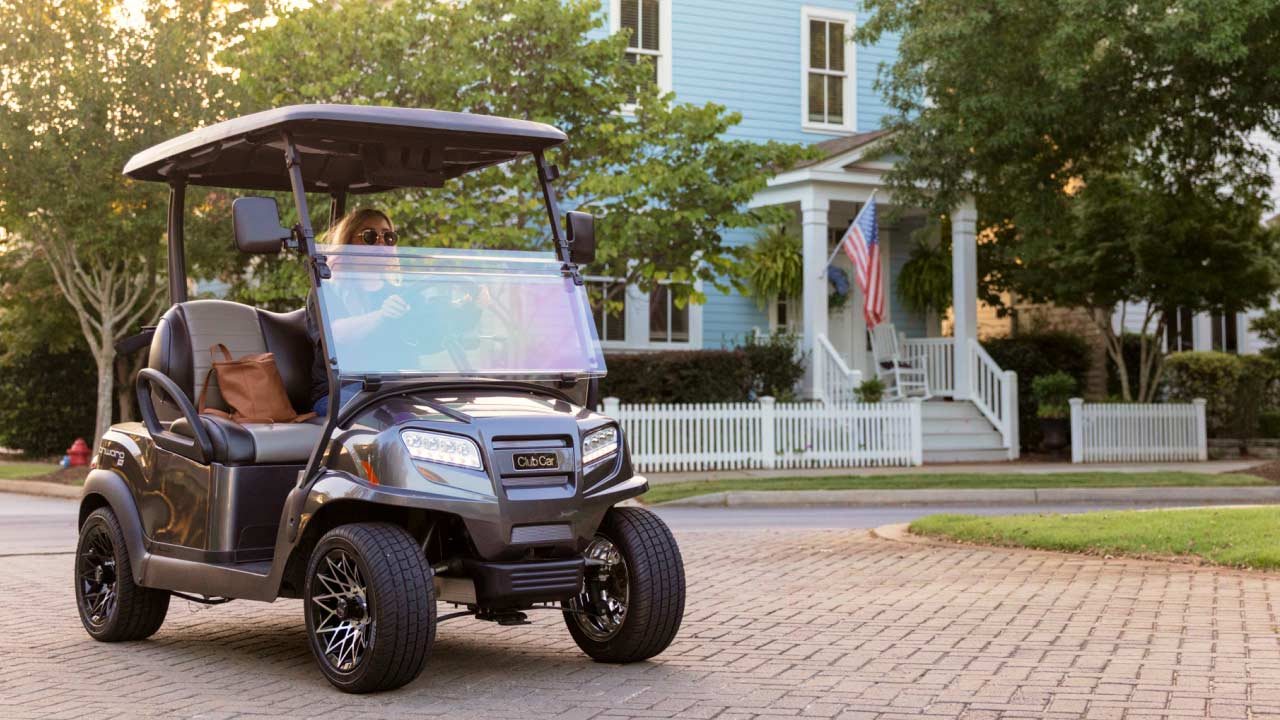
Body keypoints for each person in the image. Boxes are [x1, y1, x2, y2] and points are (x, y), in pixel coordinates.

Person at [306, 208, 407, 415]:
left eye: (388, 237)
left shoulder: (399, 292)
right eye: (370, 236)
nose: (381, 243)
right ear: (347, 242)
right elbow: (336, 336)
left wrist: (469, 307)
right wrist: (381, 315)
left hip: (391, 389)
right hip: (339, 393)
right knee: (401, 420)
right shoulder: (325, 289)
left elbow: (425, 336)